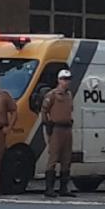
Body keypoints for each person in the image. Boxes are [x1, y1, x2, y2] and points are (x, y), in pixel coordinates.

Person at [42, 69, 76, 198]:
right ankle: (49, 188)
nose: (66, 82)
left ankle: (63, 188)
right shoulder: (52, 95)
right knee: (53, 158)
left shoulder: (69, 95)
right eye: (64, 79)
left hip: (67, 129)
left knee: (66, 159)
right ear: (59, 80)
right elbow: (44, 111)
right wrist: (48, 125)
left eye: (68, 79)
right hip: (56, 128)